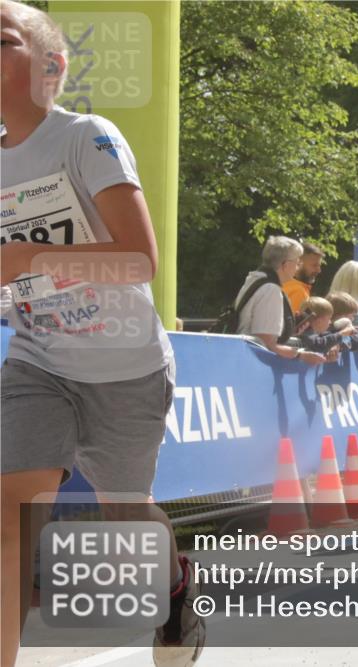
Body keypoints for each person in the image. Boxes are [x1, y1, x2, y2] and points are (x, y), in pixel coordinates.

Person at [0, 3, 201, 664]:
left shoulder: (86, 137)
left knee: (126, 520)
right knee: (10, 505)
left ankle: (174, 592)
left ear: (51, 68)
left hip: (126, 369)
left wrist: (29, 258)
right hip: (38, 361)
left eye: (2, 40)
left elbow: (139, 259)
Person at [234, 236, 326, 365]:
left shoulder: (256, 279)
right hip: (252, 363)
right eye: (297, 262)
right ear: (285, 265)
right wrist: (300, 355)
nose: (298, 267)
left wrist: (289, 330)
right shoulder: (271, 290)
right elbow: (266, 345)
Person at [281, 241, 324, 314]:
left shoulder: (281, 283)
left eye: (319, 265)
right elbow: (295, 325)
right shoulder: (298, 291)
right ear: (298, 264)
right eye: (314, 265)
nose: (319, 270)